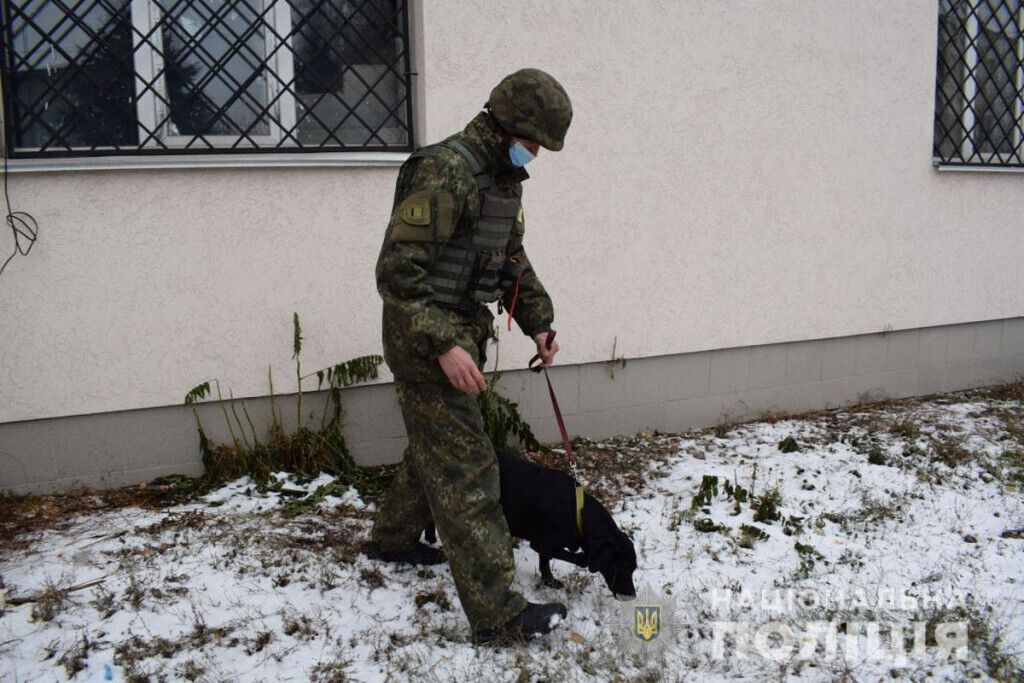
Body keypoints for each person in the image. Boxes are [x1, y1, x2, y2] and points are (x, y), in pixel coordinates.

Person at [366, 68, 573, 643]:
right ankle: (499, 616)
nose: (535, 155)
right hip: (422, 335)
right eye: (533, 142)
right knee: (467, 469)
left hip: (456, 331)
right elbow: (397, 275)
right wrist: (444, 344)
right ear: (508, 123)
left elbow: (510, 258)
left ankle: (393, 540)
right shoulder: (446, 171)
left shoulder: (503, 180)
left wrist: (540, 321)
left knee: (438, 442)